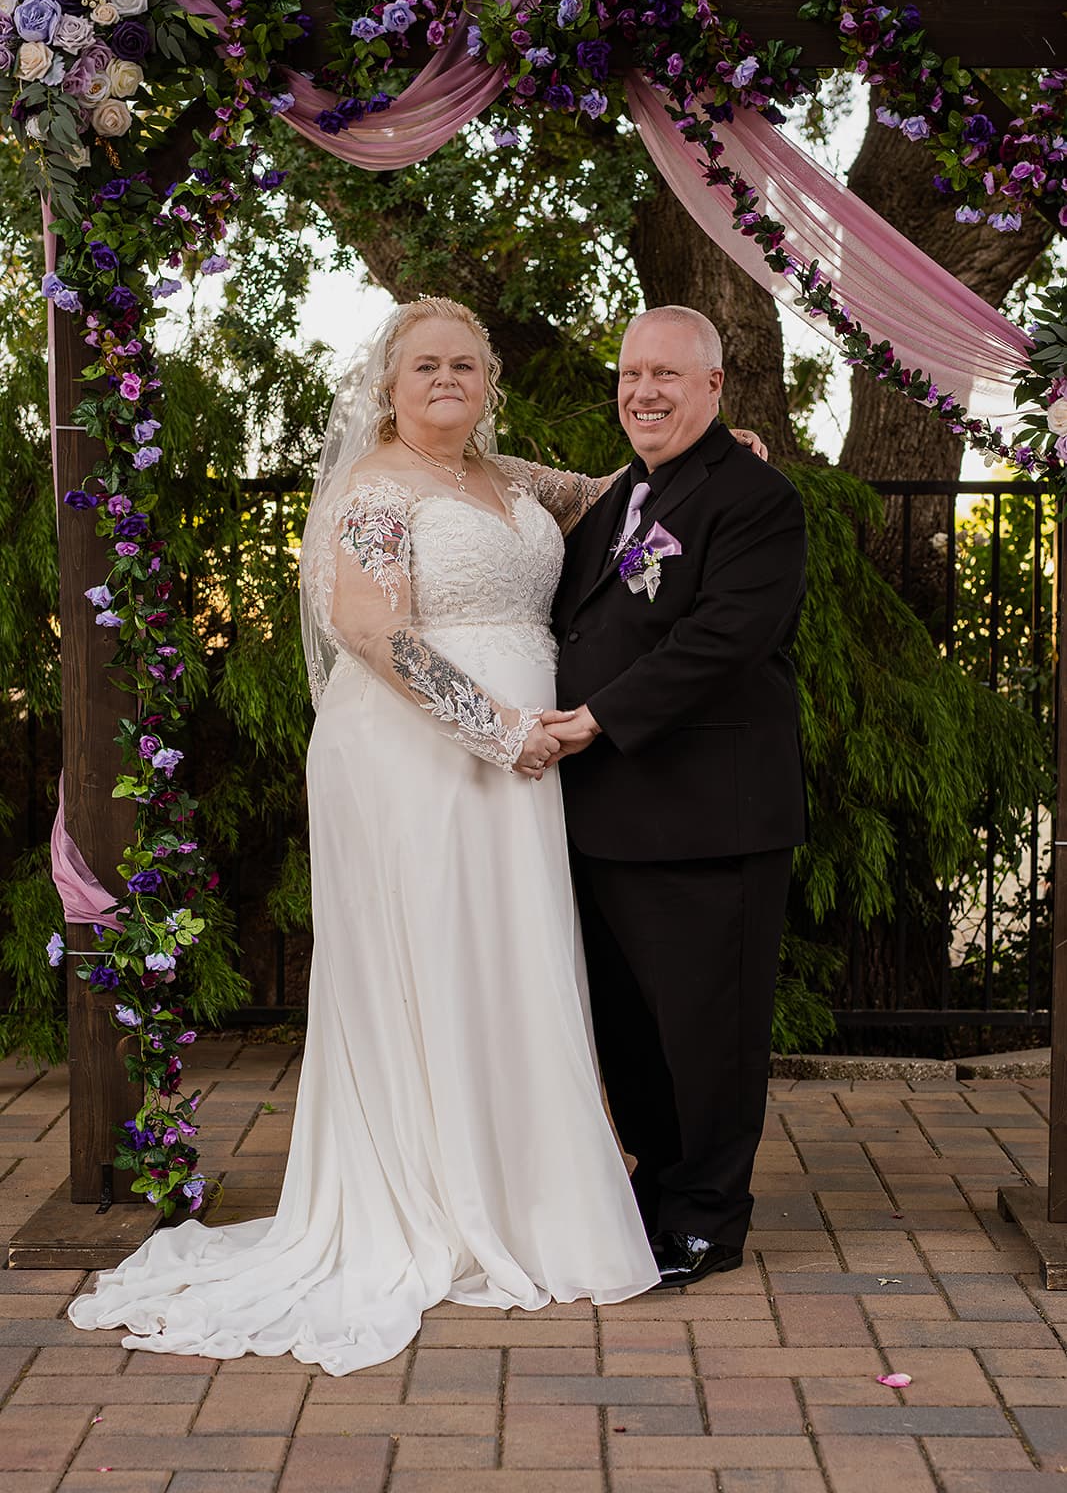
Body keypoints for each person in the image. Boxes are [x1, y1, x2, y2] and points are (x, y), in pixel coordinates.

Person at [68, 297, 764, 1374]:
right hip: (420, 755)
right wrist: (497, 729)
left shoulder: (509, 478)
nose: (447, 380)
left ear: (489, 383)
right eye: (425, 365)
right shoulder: (375, 489)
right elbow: (368, 628)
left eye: (466, 365)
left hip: (527, 764)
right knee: (434, 957)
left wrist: (723, 449)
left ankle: (520, 1191)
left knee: (508, 961)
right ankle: (435, 1197)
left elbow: (618, 492)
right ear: (387, 385)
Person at [545, 305, 807, 1288]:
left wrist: (595, 717)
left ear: (712, 386)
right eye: (629, 374)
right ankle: (655, 1189)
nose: (642, 391)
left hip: (706, 817)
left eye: (665, 374)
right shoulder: (619, 497)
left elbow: (721, 639)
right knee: (632, 1032)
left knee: (708, 1031)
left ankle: (706, 1217)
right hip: (605, 813)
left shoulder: (754, 499)